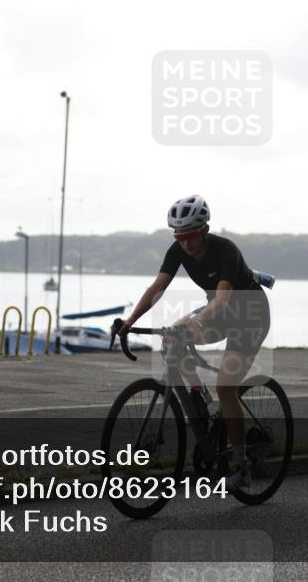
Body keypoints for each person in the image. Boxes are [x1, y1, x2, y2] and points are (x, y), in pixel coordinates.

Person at [112, 195, 270, 489]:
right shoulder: (178, 250)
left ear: (205, 229)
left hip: (250, 315)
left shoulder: (226, 251)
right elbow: (157, 287)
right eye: (179, 236)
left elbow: (222, 299)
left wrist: (197, 321)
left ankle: (241, 465)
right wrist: (130, 321)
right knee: (172, 338)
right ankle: (197, 397)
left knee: (226, 387)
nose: (185, 242)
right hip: (219, 311)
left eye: (190, 235)